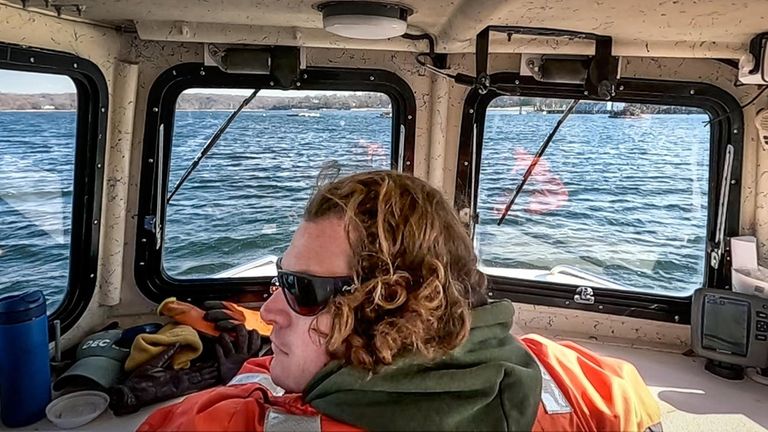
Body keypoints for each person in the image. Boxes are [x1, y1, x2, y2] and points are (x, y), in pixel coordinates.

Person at [139, 170, 544, 431]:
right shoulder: (566, 376)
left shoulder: (228, 423)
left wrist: (229, 391)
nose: (267, 311)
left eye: (303, 289)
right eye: (282, 280)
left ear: (393, 308)